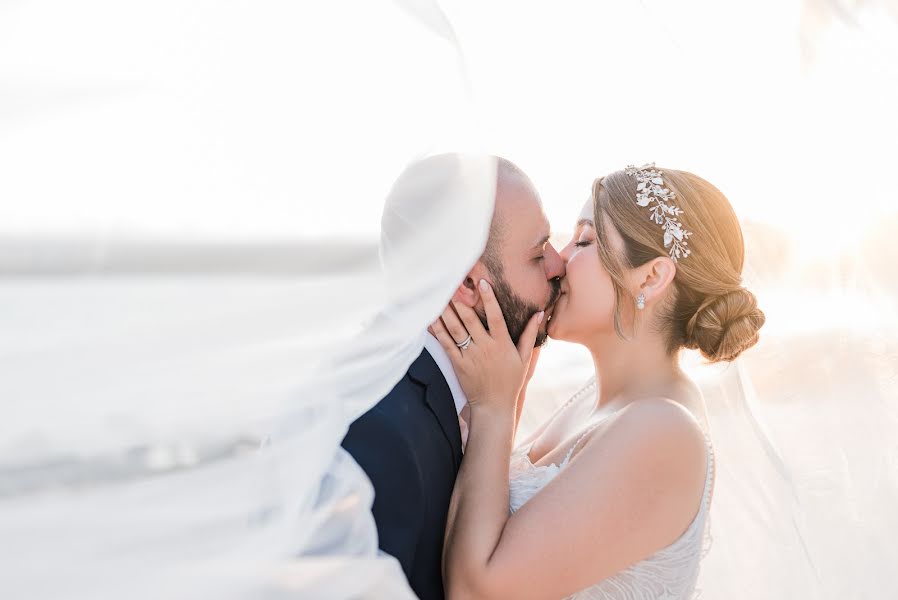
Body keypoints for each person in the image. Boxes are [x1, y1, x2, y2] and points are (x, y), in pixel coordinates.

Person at [430, 164, 766, 599]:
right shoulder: (598, 401)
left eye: (585, 241)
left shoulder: (665, 433)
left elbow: (478, 591)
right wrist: (507, 394)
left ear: (651, 277)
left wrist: (494, 406)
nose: (558, 259)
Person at [340, 154, 564, 600]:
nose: (559, 264)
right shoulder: (381, 429)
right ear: (467, 285)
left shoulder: (468, 395)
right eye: (538, 253)